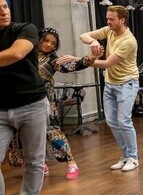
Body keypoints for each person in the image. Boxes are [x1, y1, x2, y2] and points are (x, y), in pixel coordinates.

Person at [14, 28, 98, 180]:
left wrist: (90, 58)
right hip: (24, 99)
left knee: (52, 132)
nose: (49, 45)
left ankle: (71, 163)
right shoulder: (26, 53)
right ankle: (40, 164)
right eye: (46, 41)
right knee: (29, 134)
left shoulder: (53, 60)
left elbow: (70, 66)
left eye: (53, 43)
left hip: (45, 100)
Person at [0, 0, 48, 195]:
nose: (4, 12)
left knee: (34, 161)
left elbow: (16, 54)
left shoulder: (24, 29)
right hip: (0, 109)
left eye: (5, 6)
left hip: (32, 104)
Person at [80, 5, 140, 172]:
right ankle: (125, 156)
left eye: (111, 19)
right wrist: (93, 41)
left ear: (122, 20)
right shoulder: (109, 31)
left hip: (127, 83)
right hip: (110, 83)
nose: (108, 22)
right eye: (107, 18)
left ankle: (133, 158)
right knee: (112, 122)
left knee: (124, 121)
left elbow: (107, 63)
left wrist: (82, 62)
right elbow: (83, 35)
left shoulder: (128, 41)